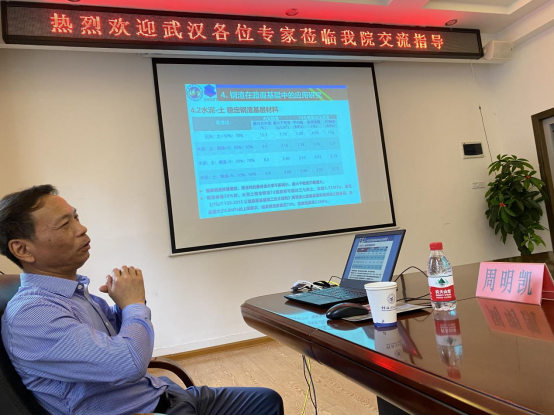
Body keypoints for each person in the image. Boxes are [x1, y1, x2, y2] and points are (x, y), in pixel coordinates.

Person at [0, 185, 284, 416]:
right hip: (144, 410)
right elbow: (130, 362)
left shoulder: (72, 294)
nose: (81, 228)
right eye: (65, 224)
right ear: (22, 249)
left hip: (163, 395)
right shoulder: (32, 314)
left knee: (265, 401)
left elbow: (119, 340)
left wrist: (126, 303)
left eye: (76, 217)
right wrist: (134, 304)